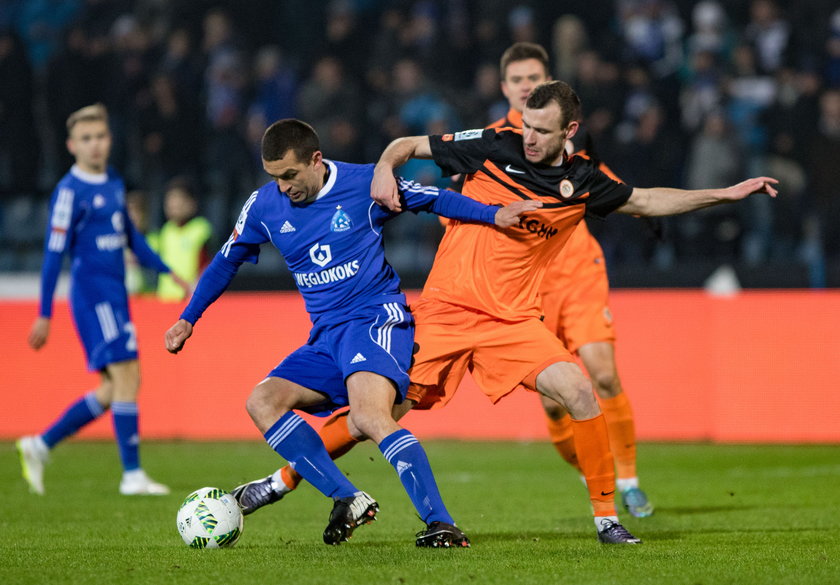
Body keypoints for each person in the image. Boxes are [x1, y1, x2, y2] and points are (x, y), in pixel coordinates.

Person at [232, 82, 776, 546]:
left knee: (582, 392)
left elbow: (650, 201)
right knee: (374, 412)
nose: (529, 137)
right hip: (443, 313)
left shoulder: (584, 181)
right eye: (527, 126)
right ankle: (279, 481)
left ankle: (608, 519)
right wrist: (382, 171)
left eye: (542, 130)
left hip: (513, 323)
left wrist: (727, 195)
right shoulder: (493, 144)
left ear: (571, 130)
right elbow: (404, 144)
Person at [163, 118, 539, 547]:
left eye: (290, 175)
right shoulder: (264, 207)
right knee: (262, 401)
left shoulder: (363, 184)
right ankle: (348, 497)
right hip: (325, 337)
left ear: (315, 160)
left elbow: (431, 199)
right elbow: (227, 260)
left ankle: (441, 522)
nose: (284, 187)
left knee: (368, 417)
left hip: (374, 320)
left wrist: (494, 214)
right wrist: (189, 318)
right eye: (275, 177)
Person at [488, 41, 654, 517]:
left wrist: (642, 208)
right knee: (557, 404)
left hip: (579, 267)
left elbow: (599, 180)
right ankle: (591, 468)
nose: (527, 86)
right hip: (529, 284)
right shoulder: (492, 144)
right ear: (505, 88)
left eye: (535, 78)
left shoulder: (567, 134)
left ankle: (628, 482)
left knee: (602, 372)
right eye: (519, 79)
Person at [17, 103, 189, 496]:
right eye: (86, 139)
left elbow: (131, 238)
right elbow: (52, 253)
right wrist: (44, 313)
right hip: (94, 296)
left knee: (115, 388)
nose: (95, 145)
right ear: (72, 145)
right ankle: (132, 475)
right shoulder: (69, 191)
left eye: (100, 137)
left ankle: (40, 445)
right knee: (129, 375)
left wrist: (167, 271)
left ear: (109, 140)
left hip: (116, 294)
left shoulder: (112, 181)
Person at [147, 177, 212, 301]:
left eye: (179, 199)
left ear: (192, 203)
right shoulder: (166, 230)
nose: (174, 204)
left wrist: (197, 290)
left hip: (189, 299)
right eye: (170, 200)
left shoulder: (201, 228)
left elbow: (207, 263)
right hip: (164, 298)